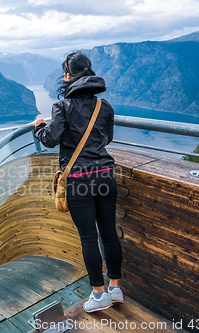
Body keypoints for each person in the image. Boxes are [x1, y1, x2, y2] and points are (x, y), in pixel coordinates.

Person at [33, 52, 123, 313]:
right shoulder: (104, 106)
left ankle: (98, 294)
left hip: (79, 181)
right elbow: (107, 138)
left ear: (69, 76)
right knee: (109, 233)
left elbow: (50, 139)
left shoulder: (61, 107)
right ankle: (115, 289)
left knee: (88, 238)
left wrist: (38, 126)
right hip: (106, 175)